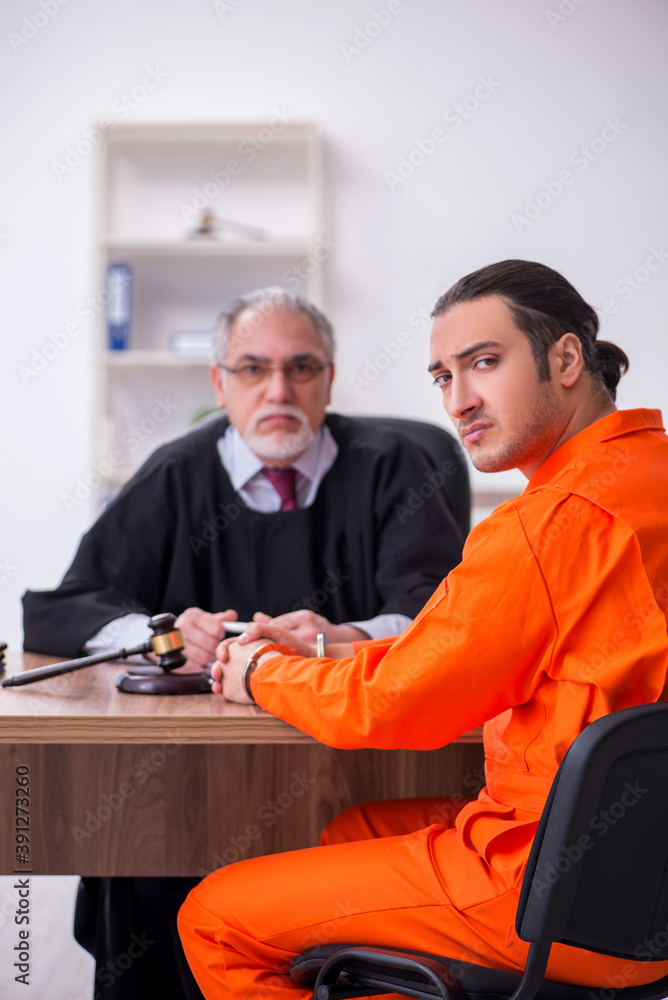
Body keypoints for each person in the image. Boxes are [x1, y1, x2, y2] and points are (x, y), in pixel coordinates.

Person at [177, 260, 668, 997]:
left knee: (212, 917)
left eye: (484, 363)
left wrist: (256, 672)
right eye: (443, 376)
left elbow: (393, 705)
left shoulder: (547, 524)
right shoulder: (646, 476)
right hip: (643, 879)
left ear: (566, 359)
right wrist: (333, 644)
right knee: (355, 829)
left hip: (547, 890)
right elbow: (486, 645)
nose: (459, 401)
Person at [22, 287, 466, 1000]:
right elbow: (63, 606)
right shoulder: (177, 472)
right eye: (253, 369)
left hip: (354, 776)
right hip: (183, 786)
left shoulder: (394, 466)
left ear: (329, 377)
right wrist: (160, 634)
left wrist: (344, 638)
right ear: (219, 383)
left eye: (301, 368)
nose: (278, 390)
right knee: (146, 886)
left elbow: (450, 615)